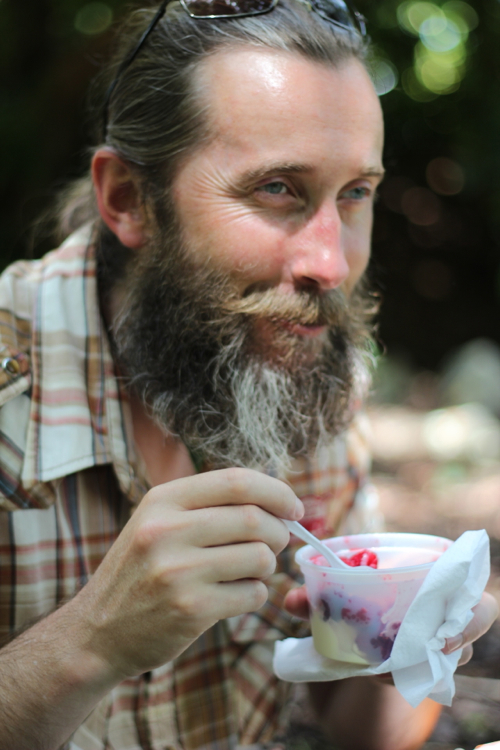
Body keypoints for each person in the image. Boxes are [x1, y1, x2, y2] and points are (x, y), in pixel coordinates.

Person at [0, 1, 497, 749]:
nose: (330, 265)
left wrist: (415, 643)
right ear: (128, 199)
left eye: (355, 193)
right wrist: (91, 642)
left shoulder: (297, 363)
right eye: (277, 188)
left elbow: (365, 726)